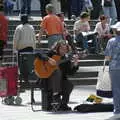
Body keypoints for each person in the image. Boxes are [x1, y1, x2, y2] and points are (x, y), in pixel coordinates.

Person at [34, 40, 79, 111]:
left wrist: (75, 64)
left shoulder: (66, 59)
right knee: (57, 71)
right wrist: (48, 59)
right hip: (47, 80)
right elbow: (37, 53)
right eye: (61, 48)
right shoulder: (51, 53)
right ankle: (56, 96)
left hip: (60, 81)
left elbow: (70, 73)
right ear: (57, 48)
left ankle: (63, 104)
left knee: (69, 85)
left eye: (65, 49)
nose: (63, 50)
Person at [13, 14, 36, 82]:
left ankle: (24, 78)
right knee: (29, 64)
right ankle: (29, 77)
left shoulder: (19, 27)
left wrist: (14, 49)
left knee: (21, 65)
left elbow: (16, 39)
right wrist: (34, 47)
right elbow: (34, 38)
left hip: (21, 49)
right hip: (30, 48)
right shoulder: (31, 27)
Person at [104, 22, 120, 115]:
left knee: (116, 89)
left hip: (115, 68)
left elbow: (108, 57)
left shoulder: (111, 41)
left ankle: (118, 109)